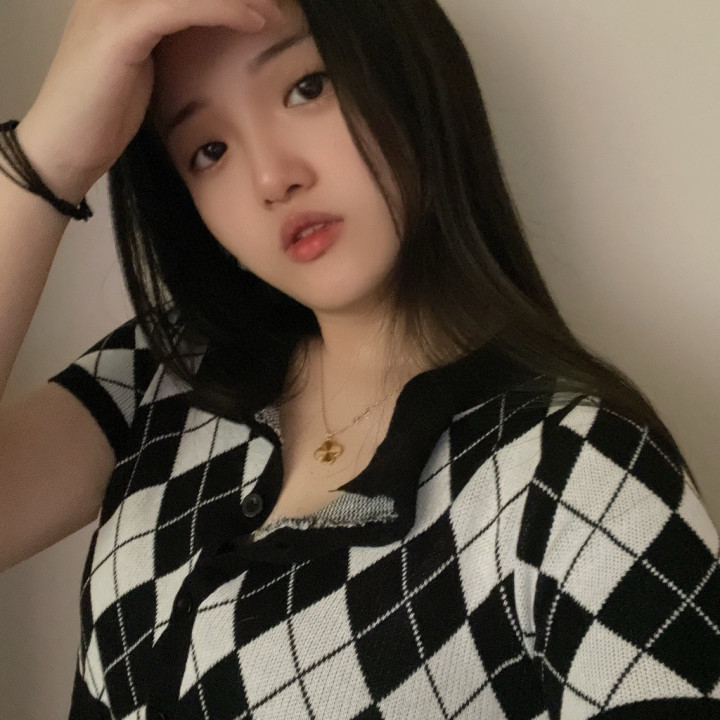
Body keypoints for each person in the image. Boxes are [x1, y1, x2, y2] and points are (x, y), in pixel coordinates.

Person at [0, 0, 718, 718]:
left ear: (405, 70)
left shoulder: (581, 472)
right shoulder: (169, 372)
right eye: (208, 150)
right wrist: (49, 156)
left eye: (306, 88)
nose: (271, 178)